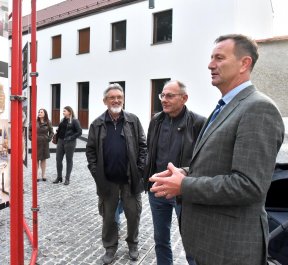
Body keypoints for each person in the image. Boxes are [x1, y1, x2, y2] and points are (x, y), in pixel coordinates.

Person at [149, 34, 285, 265]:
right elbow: (214, 164)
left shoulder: (258, 108)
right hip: (211, 243)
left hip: (231, 248)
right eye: (211, 58)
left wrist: (184, 185)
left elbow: (249, 185)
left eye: (219, 58)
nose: (210, 64)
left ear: (244, 63)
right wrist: (185, 172)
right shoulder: (224, 107)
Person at [144, 80, 205, 265]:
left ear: (184, 98)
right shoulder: (156, 120)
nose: (164, 99)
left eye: (170, 95)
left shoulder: (198, 122)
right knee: (161, 240)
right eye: (162, 95)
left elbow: (203, 160)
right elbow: (150, 151)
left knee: (191, 243)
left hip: (183, 192)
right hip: (158, 190)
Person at [86, 83, 147, 264]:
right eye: (112, 97)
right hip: (107, 180)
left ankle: (133, 244)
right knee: (108, 216)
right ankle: (110, 247)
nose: (116, 100)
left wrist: (140, 169)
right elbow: (90, 151)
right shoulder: (97, 124)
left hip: (131, 180)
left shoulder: (133, 120)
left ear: (123, 99)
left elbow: (143, 146)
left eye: (119, 97)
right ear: (105, 101)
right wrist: (97, 173)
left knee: (133, 214)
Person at [53, 106, 82, 185]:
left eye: (64, 111)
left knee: (69, 160)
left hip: (70, 143)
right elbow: (61, 129)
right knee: (58, 159)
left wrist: (71, 137)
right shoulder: (62, 120)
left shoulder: (75, 121)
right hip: (60, 141)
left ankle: (67, 178)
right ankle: (59, 177)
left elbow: (79, 132)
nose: (63, 112)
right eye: (63, 111)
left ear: (69, 112)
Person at [29, 108, 54, 181]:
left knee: (43, 159)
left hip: (44, 142)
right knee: (36, 159)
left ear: (45, 114)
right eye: (39, 112)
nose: (39, 113)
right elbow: (30, 130)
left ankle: (43, 174)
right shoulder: (34, 121)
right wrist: (31, 138)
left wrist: (48, 139)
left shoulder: (48, 122)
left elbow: (51, 132)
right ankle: (36, 175)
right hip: (36, 142)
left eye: (41, 112)